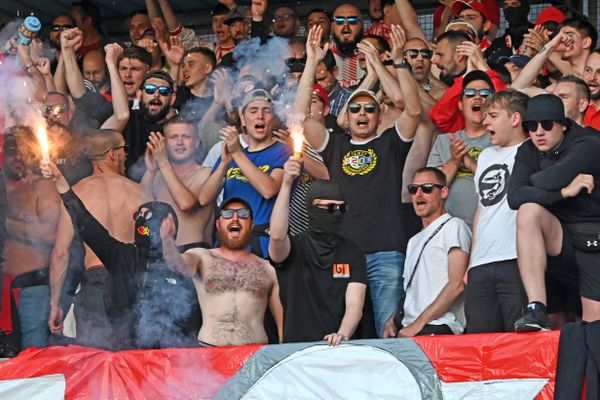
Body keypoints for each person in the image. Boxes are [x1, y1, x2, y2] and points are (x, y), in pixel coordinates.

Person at [303, 24, 422, 336]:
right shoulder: (335, 145)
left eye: (370, 108)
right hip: (343, 253)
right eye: (355, 107)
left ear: (379, 116)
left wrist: (396, 62)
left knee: (388, 333)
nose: (362, 112)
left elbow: (413, 110)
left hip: (386, 252)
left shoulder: (390, 145)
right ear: (346, 114)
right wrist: (311, 63)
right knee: (340, 333)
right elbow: (302, 116)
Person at [41, 161, 199, 349]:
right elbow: (86, 224)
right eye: (138, 215)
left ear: (168, 224)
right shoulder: (123, 255)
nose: (140, 219)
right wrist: (60, 182)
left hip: (168, 358)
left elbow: (192, 319)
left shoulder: (183, 262)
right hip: (125, 354)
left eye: (147, 216)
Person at [48, 129, 149, 348]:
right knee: (133, 362)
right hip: (132, 283)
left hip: (95, 285)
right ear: (113, 154)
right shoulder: (140, 192)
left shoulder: (77, 192)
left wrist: (55, 303)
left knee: (96, 362)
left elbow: (60, 253)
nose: (127, 156)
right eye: (124, 150)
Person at [508, 94, 600, 331]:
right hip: (558, 239)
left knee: (592, 329)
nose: (539, 132)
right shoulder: (528, 149)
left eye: (547, 125)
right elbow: (515, 197)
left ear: (563, 125)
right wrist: (563, 193)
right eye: (531, 126)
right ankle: (535, 307)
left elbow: (548, 178)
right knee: (528, 211)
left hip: (593, 241)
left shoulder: (589, 141)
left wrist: (535, 181)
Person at [160, 197, 283, 346]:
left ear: (251, 225)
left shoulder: (268, 269)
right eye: (227, 214)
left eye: (243, 214)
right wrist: (167, 241)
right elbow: (177, 264)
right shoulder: (202, 257)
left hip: (254, 357)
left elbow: (282, 324)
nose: (235, 218)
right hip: (210, 354)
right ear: (218, 224)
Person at [269, 160, 367, 346]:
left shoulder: (353, 252)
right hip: (298, 349)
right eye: (329, 208)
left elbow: (355, 303)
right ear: (312, 208)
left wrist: (342, 334)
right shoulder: (294, 248)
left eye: (341, 208)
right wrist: (287, 183)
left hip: (338, 348)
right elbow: (276, 236)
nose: (336, 213)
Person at [198, 88, 290, 258]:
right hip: (228, 244)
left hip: (262, 247)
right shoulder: (231, 154)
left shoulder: (283, 151)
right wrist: (225, 162)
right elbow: (204, 198)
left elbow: (269, 190)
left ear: (274, 119)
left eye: (267, 111)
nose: (260, 116)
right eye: (253, 111)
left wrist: (237, 153)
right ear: (243, 120)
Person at [465, 89, 529, 333]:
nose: (485, 121)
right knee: (479, 342)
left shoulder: (532, 151)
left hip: (516, 258)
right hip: (481, 262)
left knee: (519, 339)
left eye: (493, 115)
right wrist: (471, 261)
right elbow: (482, 209)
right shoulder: (486, 156)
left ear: (515, 119)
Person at [383, 167, 470, 337]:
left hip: (439, 326)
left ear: (443, 192)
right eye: (413, 189)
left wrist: (418, 324)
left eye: (427, 188)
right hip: (409, 329)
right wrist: (393, 320)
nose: (419, 194)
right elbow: (414, 291)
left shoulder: (454, 226)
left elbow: (457, 284)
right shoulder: (413, 241)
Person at [1, 129, 61, 350]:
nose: (18, 157)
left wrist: (4, 222)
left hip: (31, 290)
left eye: (25, 150)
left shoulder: (41, 187)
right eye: (12, 150)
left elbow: (49, 235)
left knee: (32, 361)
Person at [427, 70, 494, 226]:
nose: (478, 97)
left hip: (489, 229)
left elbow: (502, 186)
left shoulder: (501, 141)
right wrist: (454, 161)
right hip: (447, 230)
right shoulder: (444, 141)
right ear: (460, 105)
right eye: (470, 93)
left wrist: (470, 164)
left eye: (485, 93)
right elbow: (430, 190)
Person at [141, 116, 213, 249]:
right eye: (173, 137)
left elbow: (186, 204)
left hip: (194, 254)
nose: (179, 142)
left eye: (186, 136)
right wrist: (150, 171)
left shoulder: (206, 173)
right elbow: (141, 209)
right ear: (165, 143)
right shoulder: (157, 175)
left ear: (197, 142)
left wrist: (163, 162)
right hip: (160, 257)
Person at [331, 3, 364, 87]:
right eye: (339, 20)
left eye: (352, 20)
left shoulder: (372, 56)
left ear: (362, 26)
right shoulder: (322, 57)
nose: (345, 24)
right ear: (331, 27)